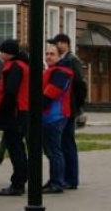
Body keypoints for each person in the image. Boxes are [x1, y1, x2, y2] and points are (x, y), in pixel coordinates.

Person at [48, 33, 83, 190]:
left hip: (68, 107)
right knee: (65, 144)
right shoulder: (66, 60)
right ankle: (67, 178)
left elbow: (79, 85)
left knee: (66, 144)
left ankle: (70, 179)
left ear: (64, 44)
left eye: (56, 45)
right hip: (68, 107)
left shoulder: (70, 60)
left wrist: (78, 106)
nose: (54, 48)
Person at [0, 39, 29, 197]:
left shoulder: (15, 67)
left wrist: (1, 111)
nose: (0, 54)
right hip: (21, 112)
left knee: (16, 149)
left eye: (2, 51)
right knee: (18, 148)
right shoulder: (23, 65)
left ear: (8, 53)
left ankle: (18, 183)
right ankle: (20, 180)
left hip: (14, 113)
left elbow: (10, 92)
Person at [40, 43, 74, 194]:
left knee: (54, 151)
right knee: (52, 151)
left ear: (60, 56)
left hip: (54, 116)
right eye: (47, 54)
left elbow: (51, 93)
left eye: (52, 54)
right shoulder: (55, 71)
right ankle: (54, 180)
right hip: (51, 115)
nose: (48, 57)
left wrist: (38, 106)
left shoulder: (60, 73)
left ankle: (57, 182)